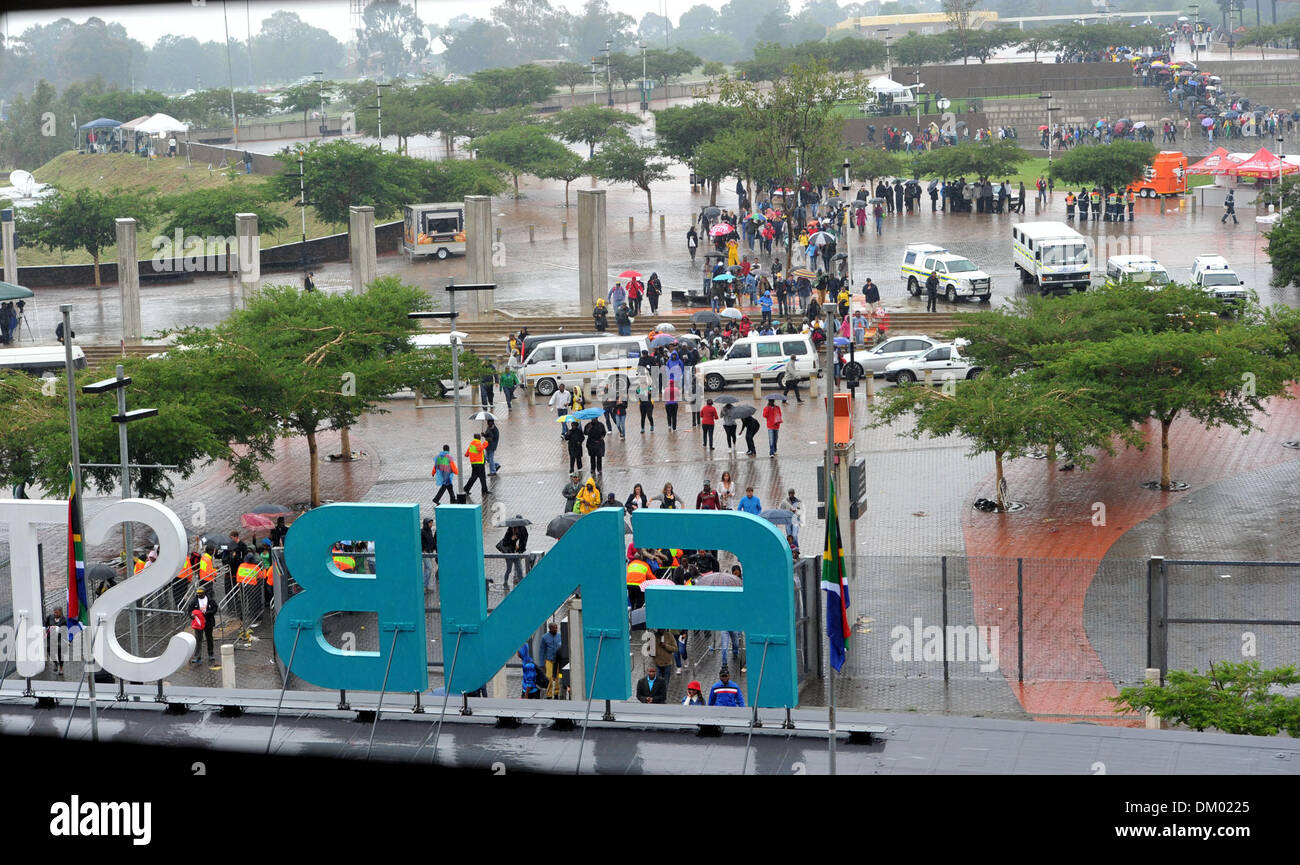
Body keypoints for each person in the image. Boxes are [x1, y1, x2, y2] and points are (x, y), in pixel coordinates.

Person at [188, 586, 219, 665]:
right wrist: (192, 616)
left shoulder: (210, 600)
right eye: (198, 594)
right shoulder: (194, 601)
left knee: (209, 638)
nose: (199, 595)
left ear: (204, 593)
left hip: (208, 622)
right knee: (198, 639)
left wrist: (208, 613)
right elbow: (190, 610)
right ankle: (197, 657)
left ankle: (211, 653)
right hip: (198, 623)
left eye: (201, 594)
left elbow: (215, 608)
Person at [498, 523, 528, 588]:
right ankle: (505, 583)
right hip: (509, 554)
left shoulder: (522, 531)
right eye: (518, 527)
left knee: (519, 570)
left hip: (516, 554)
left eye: (520, 527)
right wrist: (511, 539)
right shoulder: (509, 531)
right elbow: (505, 543)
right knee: (509, 570)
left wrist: (519, 548)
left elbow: (523, 541)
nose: (519, 529)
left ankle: (521, 585)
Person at [464, 434, 489, 498]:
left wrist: (470, 455)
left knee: (474, 477)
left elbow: (466, 454)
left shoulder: (472, 443)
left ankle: (466, 489)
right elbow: (480, 449)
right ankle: (484, 490)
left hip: (474, 464)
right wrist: (486, 442)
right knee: (482, 477)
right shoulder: (477, 443)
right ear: (478, 437)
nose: (480, 437)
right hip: (479, 464)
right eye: (480, 437)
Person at [43, 607, 67, 675]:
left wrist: (58, 629)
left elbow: (65, 630)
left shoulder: (63, 620)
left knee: (60, 652)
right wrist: (46, 628)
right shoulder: (50, 617)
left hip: (59, 638)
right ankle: (55, 663)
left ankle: (61, 668)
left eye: (56, 612)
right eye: (54, 612)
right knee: (48, 649)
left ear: (60, 612)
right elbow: (45, 623)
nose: (55, 614)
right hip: (50, 637)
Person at [540, 621, 563, 686]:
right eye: (554, 628)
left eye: (556, 628)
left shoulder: (560, 636)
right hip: (549, 661)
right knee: (549, 677)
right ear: (550, 629)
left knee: (559, 676)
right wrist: (541, 664)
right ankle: (549, 694)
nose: (556, 629)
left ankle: (557, 693)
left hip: (558, 661)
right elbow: (542, 651)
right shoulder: (544, 637)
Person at [420, 517, 437, 587]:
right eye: (430, 523)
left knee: (427, 568)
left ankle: (425, 585)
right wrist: (423, 549)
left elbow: (431, 541)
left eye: (431, 523)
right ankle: (424, 585)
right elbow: (420, 542)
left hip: (430, 552)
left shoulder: (429, 531)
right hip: (425, 552)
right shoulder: (422, 532)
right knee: (429, 568)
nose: (431, 524)